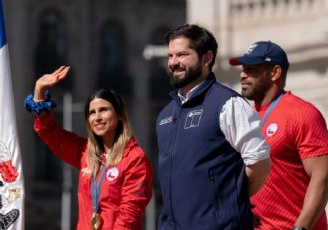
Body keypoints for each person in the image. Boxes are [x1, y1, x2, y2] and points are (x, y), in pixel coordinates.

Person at [156, 24, 271, 229]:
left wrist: (228, 204)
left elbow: (259, 163)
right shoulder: (165, 115)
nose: (173, 63)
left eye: (182, 55)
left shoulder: (228, 104)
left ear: (206, 58)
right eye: (170, 56)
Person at [24, 66, 153, 230]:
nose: (97, 117)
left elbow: (129, 216)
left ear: (120, 115)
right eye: (92, 113)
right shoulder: (86, 152)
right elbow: (50, 133)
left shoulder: (135, 158)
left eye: (104, 110)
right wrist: (39, 91)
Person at [229, 41, 328, 230]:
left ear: (275, 73)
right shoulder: (245, 117)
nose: (243, 74)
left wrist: (301, 228)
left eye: (252, 69)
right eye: (243, 69)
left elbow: (323, 177)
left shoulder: (302, 113)